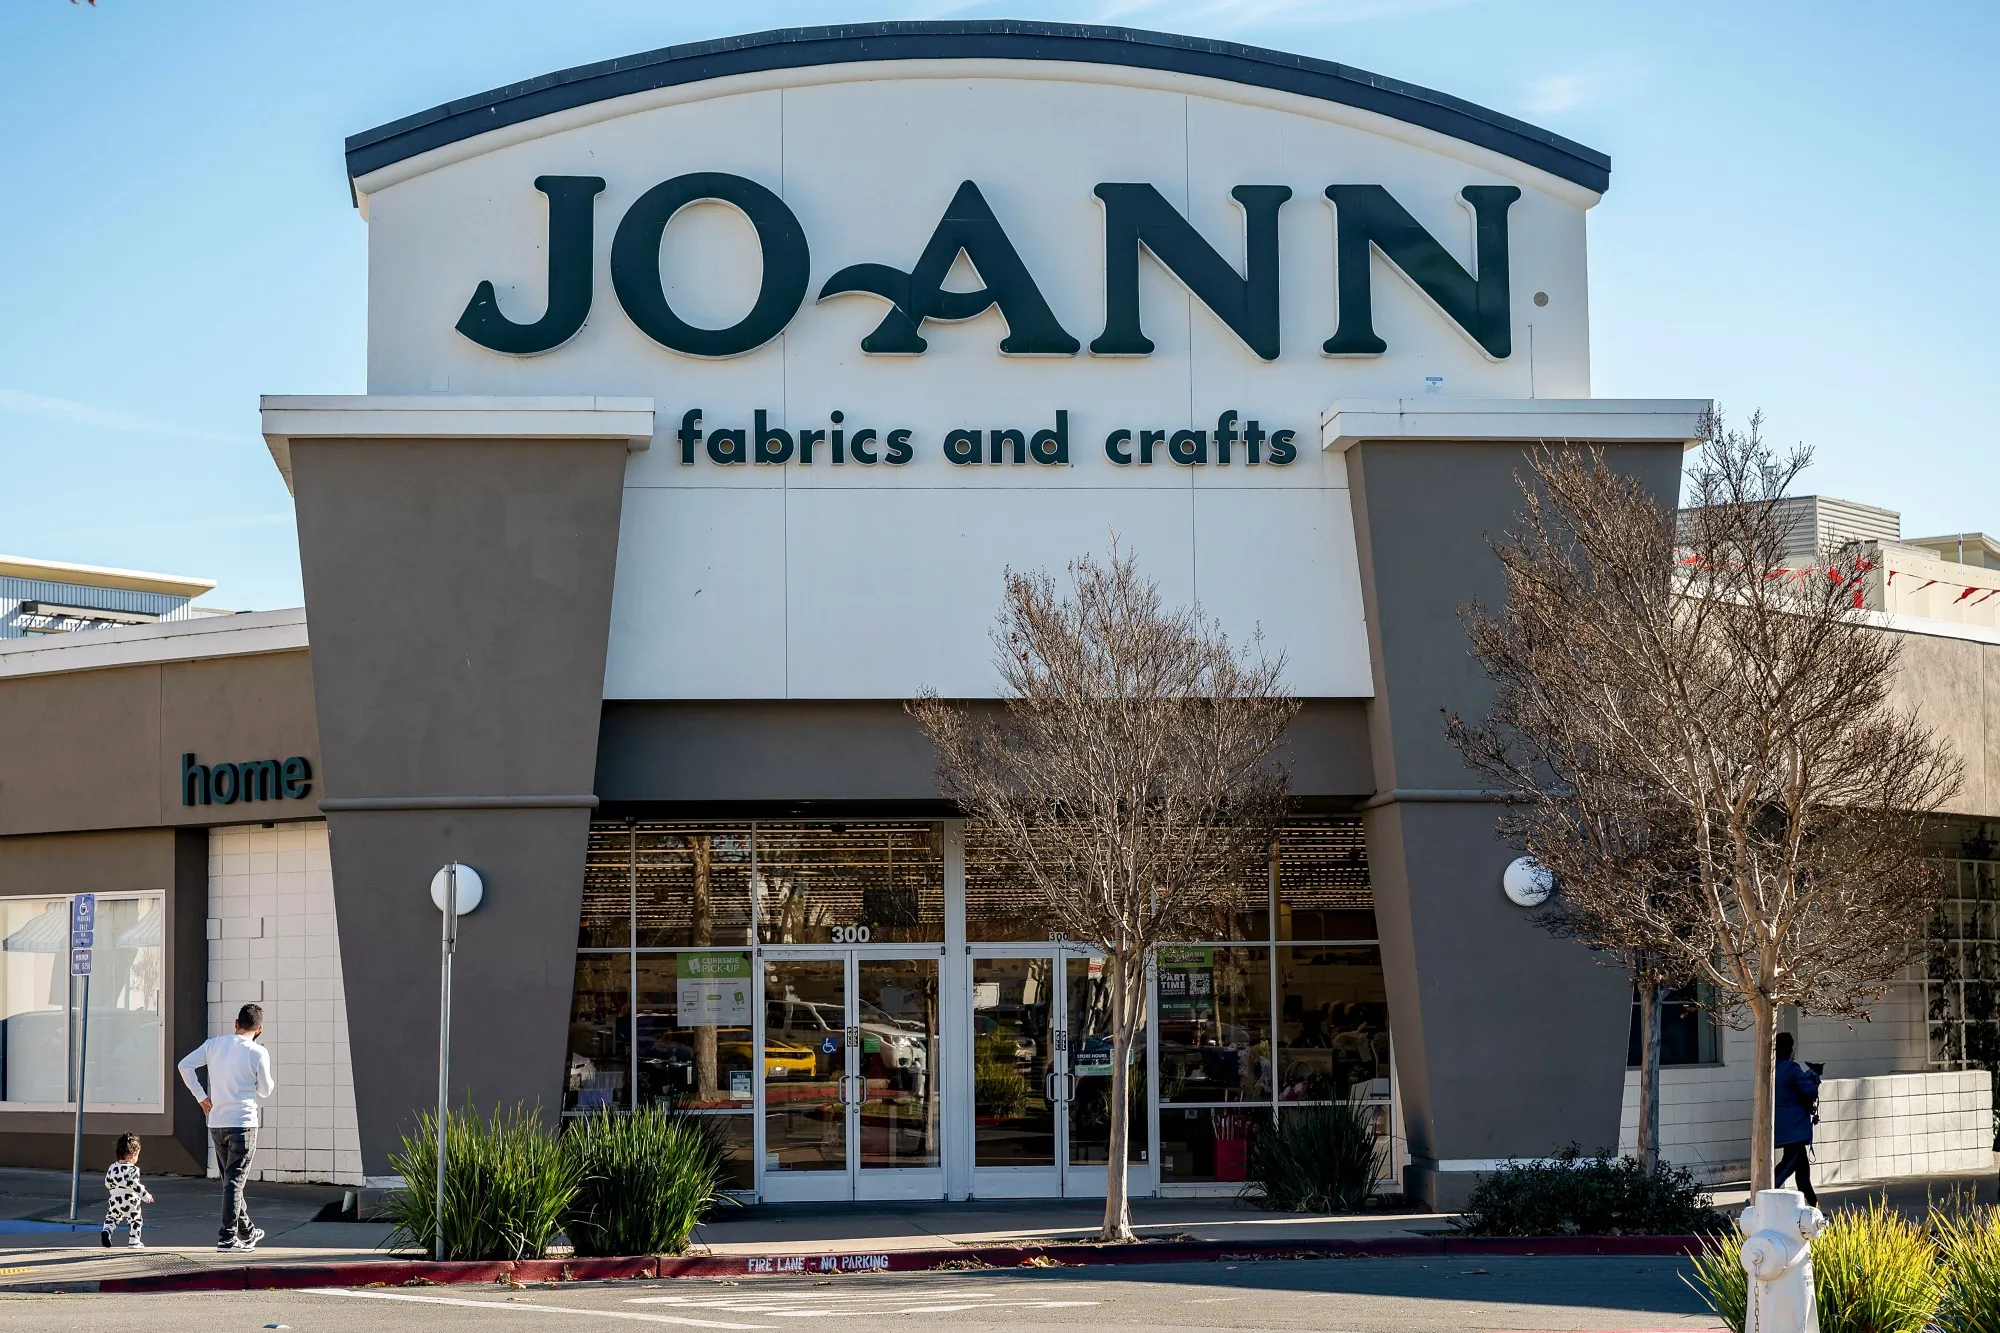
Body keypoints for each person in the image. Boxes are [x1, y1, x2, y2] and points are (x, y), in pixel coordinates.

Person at [177, 1002, 276, 1252]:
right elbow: (265, 1091)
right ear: (259, 1029)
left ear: (236, 1024)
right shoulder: (258, 1052)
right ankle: (227, 1237)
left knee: (230, 1181)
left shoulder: (214, 1044)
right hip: (243, 1124)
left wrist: (201, 1096)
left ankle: (247, 1231)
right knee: (234, 1182)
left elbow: (184, 1065)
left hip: (217, 1121)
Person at [1772, 1031, 1822, 1206]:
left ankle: (1813, 1207)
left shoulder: (1772, 1067)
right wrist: (1813, 1079)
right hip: (1795, 1127)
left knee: (1802, 1173)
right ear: (1790, 1049)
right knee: (1790, 1163)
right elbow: (1811, 1092)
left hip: (1782, 1125)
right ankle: (1762, 1193)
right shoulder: (1792, 1068)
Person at [100, 1132, 153, 1249]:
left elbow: (107, 1183)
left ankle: (107, 1231)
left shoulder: (112, 1167)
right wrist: (146, 1196)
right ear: (134, 1154)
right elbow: (135, 1185)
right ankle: (134, 1241)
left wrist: (113, 1189)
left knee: (112, 1217)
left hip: (115, 1199)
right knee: (135, 1219)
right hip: (130, 1200)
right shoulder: (133, 1169)